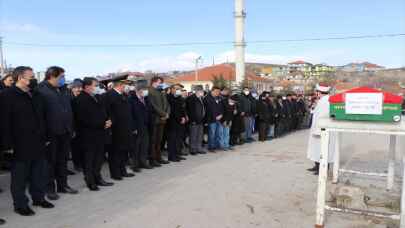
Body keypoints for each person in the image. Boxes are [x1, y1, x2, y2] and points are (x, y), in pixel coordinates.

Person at [0, 66, 54, 216]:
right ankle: (20, 204)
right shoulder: (6, 95)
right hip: (19, 144)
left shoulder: (35, 95)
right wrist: (7, 145)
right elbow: (4, 122)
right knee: (20, 178)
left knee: (39, 173)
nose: (33, 80)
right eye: (30, 77)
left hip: (38, 141)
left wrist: (46, 136)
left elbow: (43, 117)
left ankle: (38, 198)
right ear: (20, 78)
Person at [36, 66, 78, 200]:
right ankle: (50, 189)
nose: (63, 79)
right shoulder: (41, 90)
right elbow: (39, 115)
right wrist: (44, 134)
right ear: (52, 76)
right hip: (51, 133)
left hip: (65, 131)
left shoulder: (64, 89)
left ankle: (63, 185)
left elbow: (69, 110)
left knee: (63, 160)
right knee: (50, 162)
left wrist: (71, 128)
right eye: (61, 77)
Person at [73, 77, 114, 190]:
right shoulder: (80, 99)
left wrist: (108, 120)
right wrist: (101, 124)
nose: (97, 88)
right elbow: (83, 119)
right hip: (88, 135)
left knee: (99, 158)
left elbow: (103, 112)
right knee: (89, 159)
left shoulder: (96, 97)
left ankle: (98, 177)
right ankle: (90, 180)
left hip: (100, 133)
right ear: (87, 87)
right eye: (95, 85)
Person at [103, 81, 135, 180]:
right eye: (126, 85)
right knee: (115, 152)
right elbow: (107, 112)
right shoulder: (109, 95)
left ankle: (123, 170)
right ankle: (115, 173)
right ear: (120, 85)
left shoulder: (123, 95)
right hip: (116, 129)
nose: (127, 87)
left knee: (123, 151)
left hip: (125, 128)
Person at [306, 83, 336, 175]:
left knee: (323, 150)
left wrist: (318, 130)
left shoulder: (325, 101)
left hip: (322, 130)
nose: (316, 93)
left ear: (319, 92)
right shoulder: (322, 100)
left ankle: (322, 169)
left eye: (317, 92)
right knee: (317, 150)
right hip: (318, 130)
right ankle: (317, 166)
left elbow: (323, 117)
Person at [128, 80, 153, 170]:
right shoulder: (131, 100)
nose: (146, 91)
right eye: (145, 89)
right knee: (135, 147)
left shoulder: (145, 98)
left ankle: (143, 162)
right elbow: (130, 115)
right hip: (136, 127)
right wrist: (133, 128)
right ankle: (135, 165)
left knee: (144, 145)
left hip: (145, 126)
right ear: (139, 90)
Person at [148, 77, 171, 166]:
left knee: (159, 140)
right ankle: (152, 159)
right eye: (159, 82)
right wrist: (163, 114)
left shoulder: (161, 91)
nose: (161, 84)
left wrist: (167, 113)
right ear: (154, 82)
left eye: (161, 82)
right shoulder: (150, 91)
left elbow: (167, 104)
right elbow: (153, 106)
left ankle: (159, 157)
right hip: (155, 119)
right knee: (153, 141)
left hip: (162, 119)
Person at [166, 84, 187, 162]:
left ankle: (177, 154)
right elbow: (172, 111)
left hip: (180, 121)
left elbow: (182, 109)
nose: (178, 90)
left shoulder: (179, 98)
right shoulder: (168, 97)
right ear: (171, 89)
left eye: (179, 89)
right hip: (172, 121)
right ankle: (171, 156)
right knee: (172, 140)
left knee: (178, 139)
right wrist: (180, 118)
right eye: (176, 89)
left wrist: (184, 117)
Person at [186, 85, 206, 155]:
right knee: (193, 135)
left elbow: (202, 109)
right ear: (197, 91)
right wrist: (192, 120)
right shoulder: (191, 98)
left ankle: (199, 148)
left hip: (201, 120)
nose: (202, 92)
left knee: (200, 135)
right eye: (201, 90)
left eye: (202, 90)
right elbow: (190, 111)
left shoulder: (201, 98)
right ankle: (193, 149)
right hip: (194, 120)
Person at [204, 86, 225, 152]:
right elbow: (207, 110)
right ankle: (211, 147)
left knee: (219, 133)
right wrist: (214, 117)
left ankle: (217, 145)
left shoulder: (219, 98)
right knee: (212, 134)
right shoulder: (207, 98)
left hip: (220, 119)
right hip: (212, 119)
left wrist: (221, 114)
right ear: (212, 91)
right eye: (216, 91)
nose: (217, 93)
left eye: (218, 92)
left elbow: (222, 107)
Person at [70, 79, 84, 172]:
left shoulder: (82, 98)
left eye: (80, 87)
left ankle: (82, 162)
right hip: (73, 126)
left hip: (82, 126)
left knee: (82, 146)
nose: (79, 89)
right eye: (77, 87)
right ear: (72, 88)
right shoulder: (69, 99)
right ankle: (77, 164)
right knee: (75, 147)